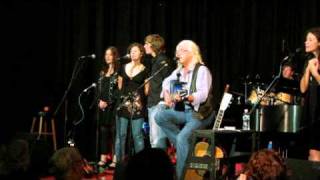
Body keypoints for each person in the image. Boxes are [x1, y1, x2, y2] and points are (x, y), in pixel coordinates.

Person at [155, 40, 214, 179]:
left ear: (190, 52)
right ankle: (186, 148)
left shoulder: (201, 70)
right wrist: (168, 93)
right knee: (160, 116)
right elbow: (166, 82)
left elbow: (202, 94)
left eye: (180, 50)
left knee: (182, 138)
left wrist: (185, 96)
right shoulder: (179, 71)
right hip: (184, 112)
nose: (176, 54)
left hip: (200, 114)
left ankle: (181, 177)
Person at [115, 42, 149, 163]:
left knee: (137, 135)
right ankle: (119, 163)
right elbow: (119, 86)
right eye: (131, 51)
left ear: (141, 53)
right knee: (121, 135)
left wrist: (138, 100)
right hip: (123, 104)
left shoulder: (145, 69)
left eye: (135, 51)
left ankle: (140, 164)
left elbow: (146, 90)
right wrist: (124, 99)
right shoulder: (123, 67)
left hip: (137, 106)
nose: (132, 53)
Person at [144, 34, 175, 150]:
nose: (144, 46)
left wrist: (167, 102)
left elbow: (172, 82)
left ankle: (160, 167)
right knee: (153, 139)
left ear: (153, 45)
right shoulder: (155, 61)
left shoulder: (163, 61)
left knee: (158, 140)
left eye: (146, 44)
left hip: (160, 104)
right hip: (153, 103)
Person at [97, 46, 120, 167]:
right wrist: (99, 101)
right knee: (104, 132)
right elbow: (99, 90)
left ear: (115, 56)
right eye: (106, 54)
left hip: (114, 105)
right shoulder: (102, 72)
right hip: (103, 106)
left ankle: (116, 159)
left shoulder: (118, 72)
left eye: (110, 54)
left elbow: (119, 91)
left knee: (114, 131)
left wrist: (109, 102)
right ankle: (103, 157)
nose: (107, 57)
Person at [300, 27, 320, 162]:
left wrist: (315, 72)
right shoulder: (310, 61)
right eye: (306, 39)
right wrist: (308, 70)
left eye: (310, 39)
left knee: (314, 155)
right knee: (312, 155)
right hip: (312, 113)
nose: (306, 42)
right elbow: (302, 89)